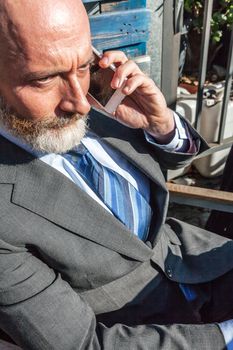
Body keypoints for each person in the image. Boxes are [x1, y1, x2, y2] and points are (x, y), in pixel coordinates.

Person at [0, 1, 233, 349]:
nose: (79, 103)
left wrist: (162, 126)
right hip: (138, 329)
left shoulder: (102, 95)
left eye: (82, 65)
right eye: (44, 78)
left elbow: (163, 176)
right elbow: (83, 343)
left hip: (201, 263)